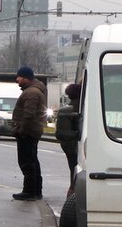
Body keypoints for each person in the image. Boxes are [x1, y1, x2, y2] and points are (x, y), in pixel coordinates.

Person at [10, 66, 47, 201]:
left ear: (26, 77)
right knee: (33, 161)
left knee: (27, 162)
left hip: (28, 132)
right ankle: (36, 191)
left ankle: (29, 191)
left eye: (19, 77)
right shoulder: (35, 90)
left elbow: (28, 114)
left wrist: (21, 131)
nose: (17, 79)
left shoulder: (31, 93)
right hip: (32, 131)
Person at [55, 83, 81, 196]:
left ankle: (72, 190)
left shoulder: (65, 110)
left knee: (73, 168)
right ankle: (73, 191)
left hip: (67, 145)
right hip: (76, 145)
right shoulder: (80, 108)